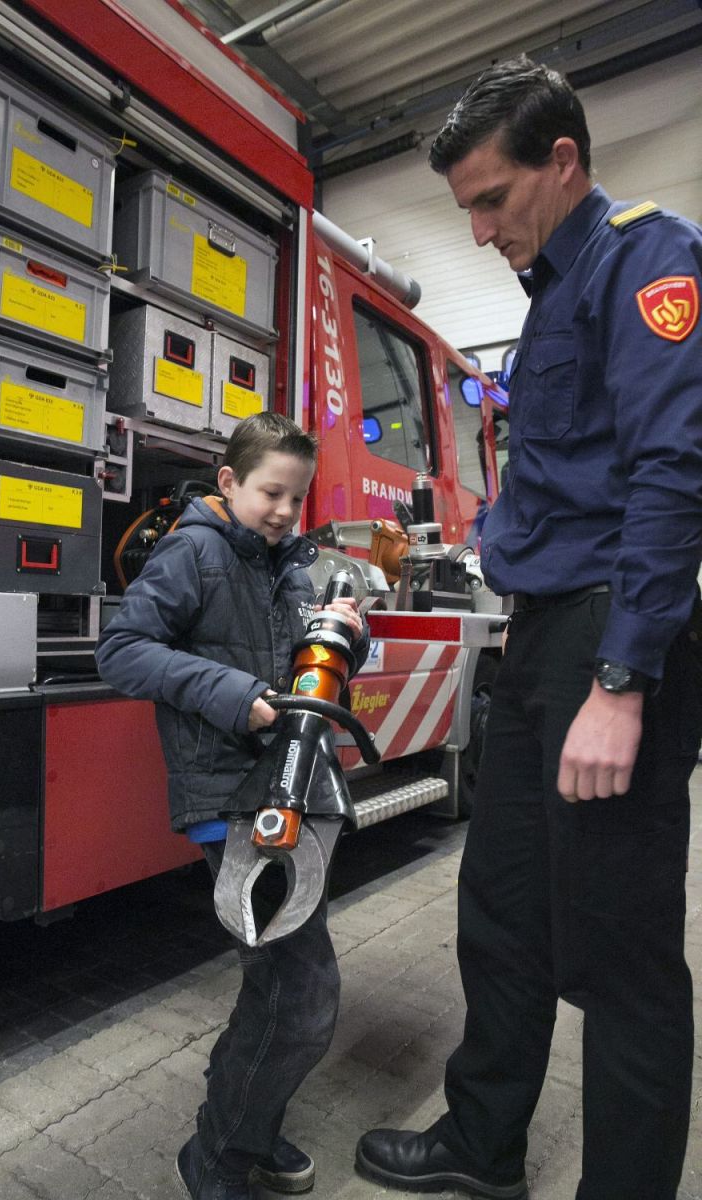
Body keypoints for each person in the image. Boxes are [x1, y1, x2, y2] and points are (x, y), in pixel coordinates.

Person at [355, 56, 702, 1200]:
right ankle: (480, 1145)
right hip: (540, 634)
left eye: (490, 199)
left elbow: (668, 472)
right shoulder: (550, 293)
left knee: (619, 954)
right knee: (499, 906)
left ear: (562, 162)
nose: (476, 229)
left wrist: (622, 680)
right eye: (462, 206)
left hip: (608, 640)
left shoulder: (642, 256)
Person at [96, 411, 367, 1200]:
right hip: (234, 795)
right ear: (228, 482)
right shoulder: (196, 551)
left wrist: (346, 634)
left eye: (297, 498)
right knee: (302, 994)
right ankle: (216, 1158)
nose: (286, 511)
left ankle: (248, 1124)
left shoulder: (284, 560)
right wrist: (236, 694)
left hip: (295, 785)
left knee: (273, 983)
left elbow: (304, 658)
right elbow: (123, 650)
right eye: (270, 494)